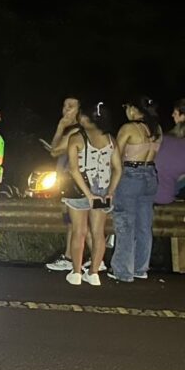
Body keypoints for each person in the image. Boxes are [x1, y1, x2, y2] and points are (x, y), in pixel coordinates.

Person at [62, 102, 122, 286]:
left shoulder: (77, 138)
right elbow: (118, 169)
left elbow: (73, 169)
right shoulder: (110, 139)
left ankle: (76, 272)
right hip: (103, 190)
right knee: (98, 233)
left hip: (81, 191)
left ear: (84, 118)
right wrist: (110, 191)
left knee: (79, 232)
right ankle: (94, 272)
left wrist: (88, 195)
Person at [45, 97, 105, 273]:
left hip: (78, 184)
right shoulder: (87, 131)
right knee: (76, 224)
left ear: (80, 110)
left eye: (70, 106)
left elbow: (54, 151)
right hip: (90, 182)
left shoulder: (76, 132)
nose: (65, 110)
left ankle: (94, 261)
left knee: (81, 225)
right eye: (64, 105)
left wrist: (60, 127)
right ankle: (71, 257)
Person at [108, 96, 162, 283]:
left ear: (133, 109)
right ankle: (140, 267)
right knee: (144, 225)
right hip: (150, 175)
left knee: (125, 223)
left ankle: (123, 270)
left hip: (131, 175)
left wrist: (111, 185)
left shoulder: (128, 128)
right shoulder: (156, 129)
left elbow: (116, 157)